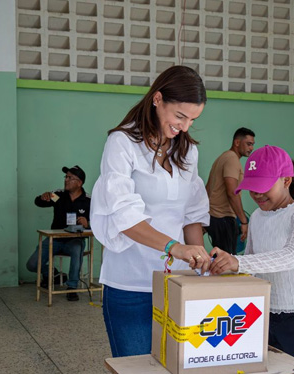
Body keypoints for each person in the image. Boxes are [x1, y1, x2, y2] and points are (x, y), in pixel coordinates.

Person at [90, 65, 214, 358]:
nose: (184, 127)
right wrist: (175, 248)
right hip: (131, 282)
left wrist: (199, 257)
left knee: (179, 364)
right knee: (136, 364)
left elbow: (192, 213)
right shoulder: (122, 144)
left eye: (192, 120)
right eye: (180, 116)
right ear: (157, 99)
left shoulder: (187, 152)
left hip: (178, 283)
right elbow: (124, 216)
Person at [204, 145, 294, 373]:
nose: (257, 195)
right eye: (252, 188)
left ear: (286, 180)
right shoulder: (259, 217)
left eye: (263, 187)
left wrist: (238, 262)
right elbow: (251, 262)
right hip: (263, 312)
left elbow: (290, 257)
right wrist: (222, 266)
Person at [26, 165, 90, 302]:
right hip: (54, 239)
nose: (66, 180)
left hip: (75, 240)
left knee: (77, 247)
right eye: (65, 177)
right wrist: (43, 197)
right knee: (31, 264)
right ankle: (51, 274)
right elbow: (38, 202)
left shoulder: (88, 200)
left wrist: (88, 223)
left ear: (79, 182)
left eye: (70, 177)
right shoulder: (59, 196)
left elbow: (101, 221)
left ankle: (72, 287)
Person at [205, 127, 255, 254]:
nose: (251, 148)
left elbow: (208, 188)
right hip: (223, 218)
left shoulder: (223, 157)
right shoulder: (232, 159)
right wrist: (243, 221)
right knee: (226, 265)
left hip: (214, 216)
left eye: (253, 145)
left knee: (220, 262)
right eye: (248, 144)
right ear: (237, 142)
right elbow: (232, 192)